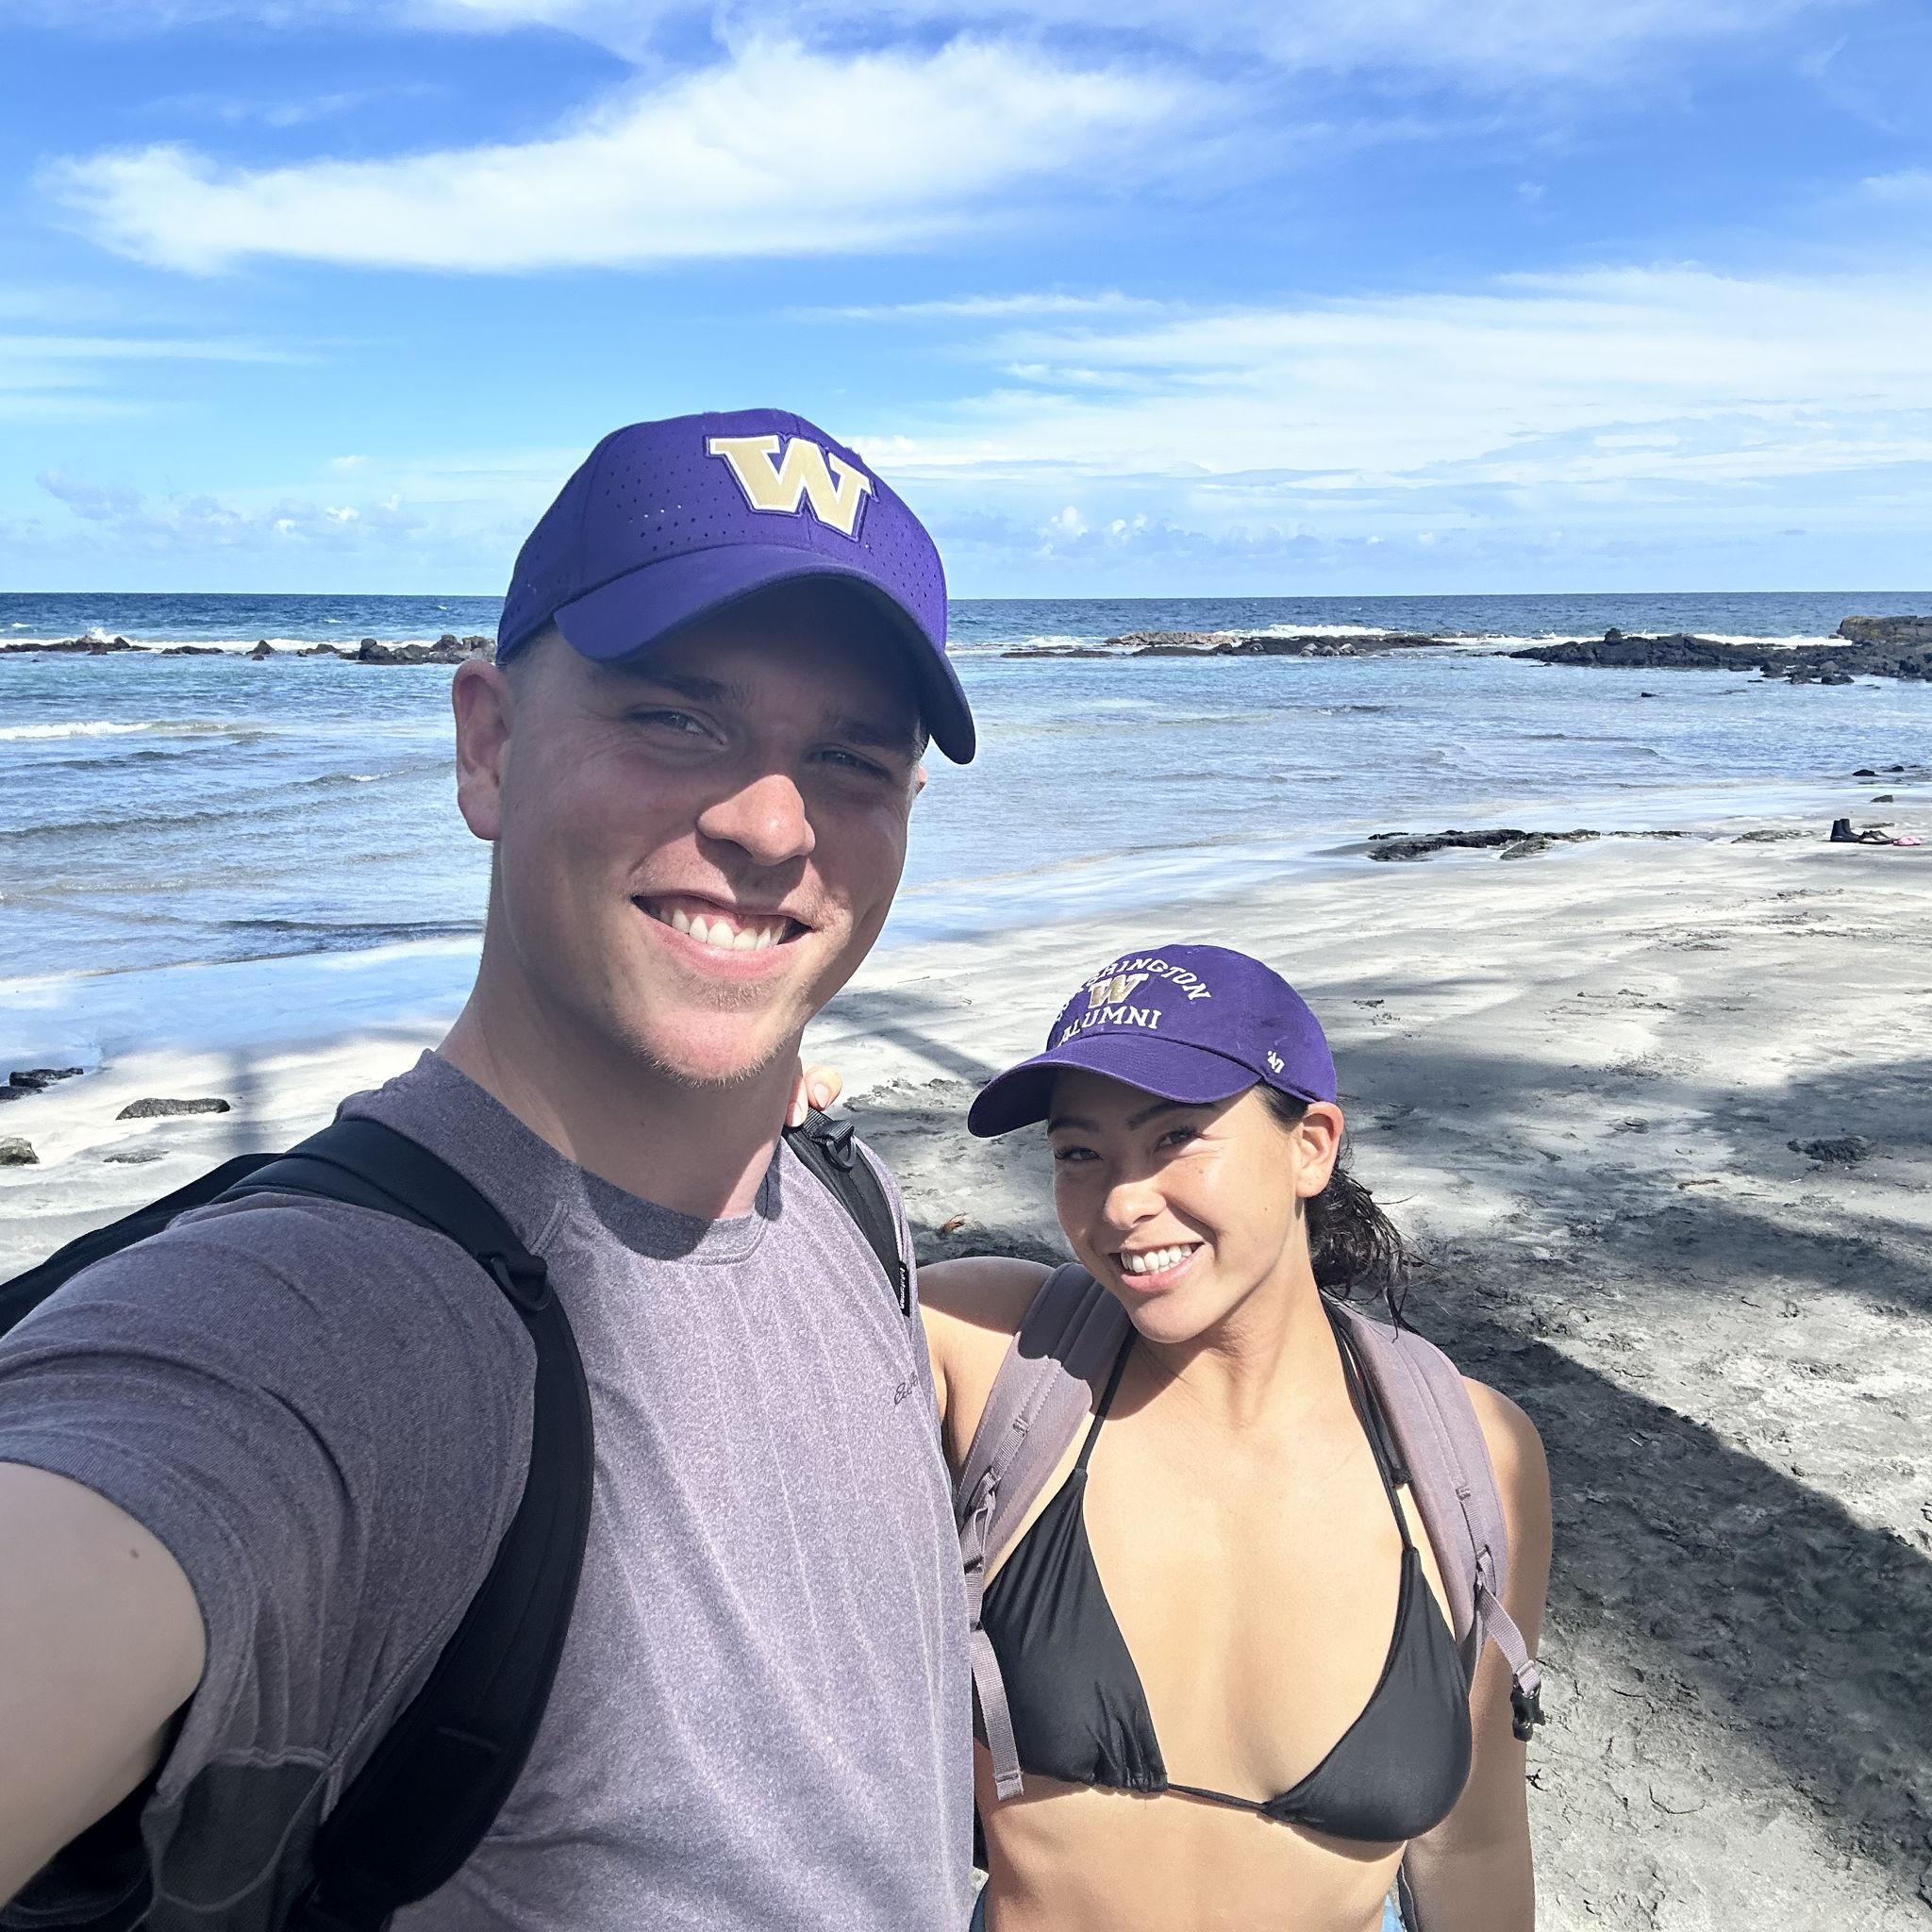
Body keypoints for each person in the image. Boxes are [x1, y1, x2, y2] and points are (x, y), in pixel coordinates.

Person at [0, 410, 980, 1930]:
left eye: (852, 759)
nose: (774, 826)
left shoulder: (847, 1205)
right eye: (676, 718)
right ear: (490, 745)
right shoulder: (326, 1329)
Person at [917, 943, 1552, 1932]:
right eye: (1078, 1152)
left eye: (1174, 1136)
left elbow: (1470, 1837)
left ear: (1310, 1144)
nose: (1121, 1203)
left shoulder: (1470, 1454)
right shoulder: (992, 1351)